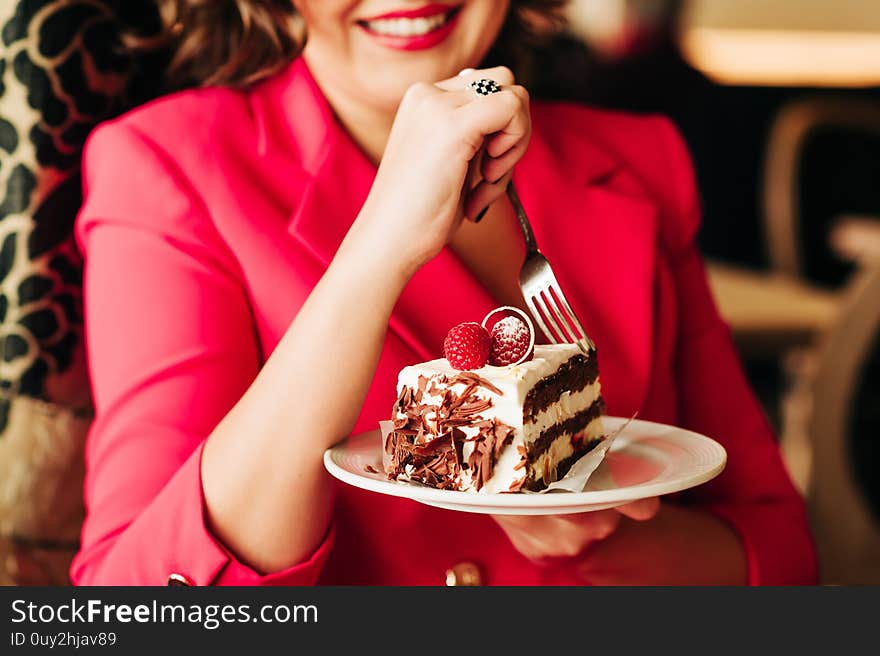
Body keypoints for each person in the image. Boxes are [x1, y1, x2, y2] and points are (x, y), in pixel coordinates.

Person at [70, 0, 817, 586]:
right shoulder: (167, 167)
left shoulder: (638, 159)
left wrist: (605, 536)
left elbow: (782, 553)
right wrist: (378, 247)